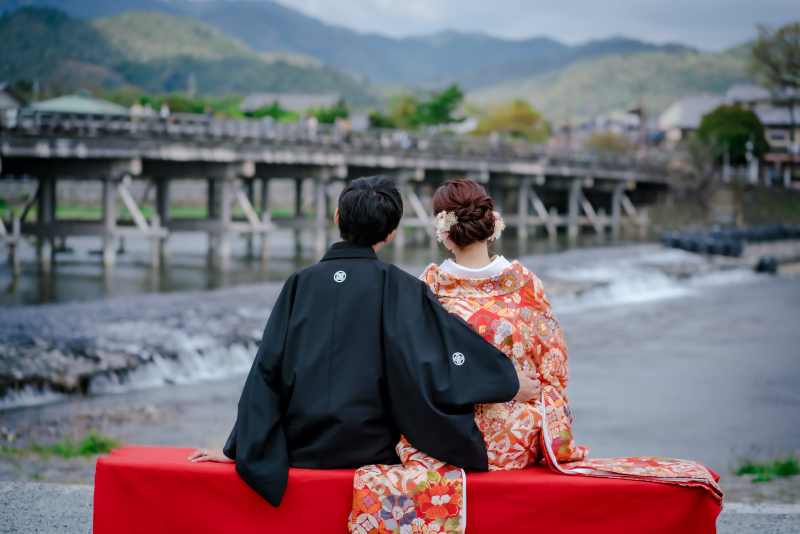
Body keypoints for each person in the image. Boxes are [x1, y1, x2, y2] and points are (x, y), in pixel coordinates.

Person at [349, 180, 722, 534]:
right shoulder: (524, 283)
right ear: (492, 225)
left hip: (447, 440)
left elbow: (414, 374)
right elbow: (554, 366)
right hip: (518, 442)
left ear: (443, 231)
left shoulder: (427, 288)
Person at [189, 175, 541, 508]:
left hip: (299, 448)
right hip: (370, 450)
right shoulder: (402, 288)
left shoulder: (300, 283)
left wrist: (239, 446)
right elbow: (440, 357)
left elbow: (266, 369)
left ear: (337, 217)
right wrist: (506, 381)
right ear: (390, 233)